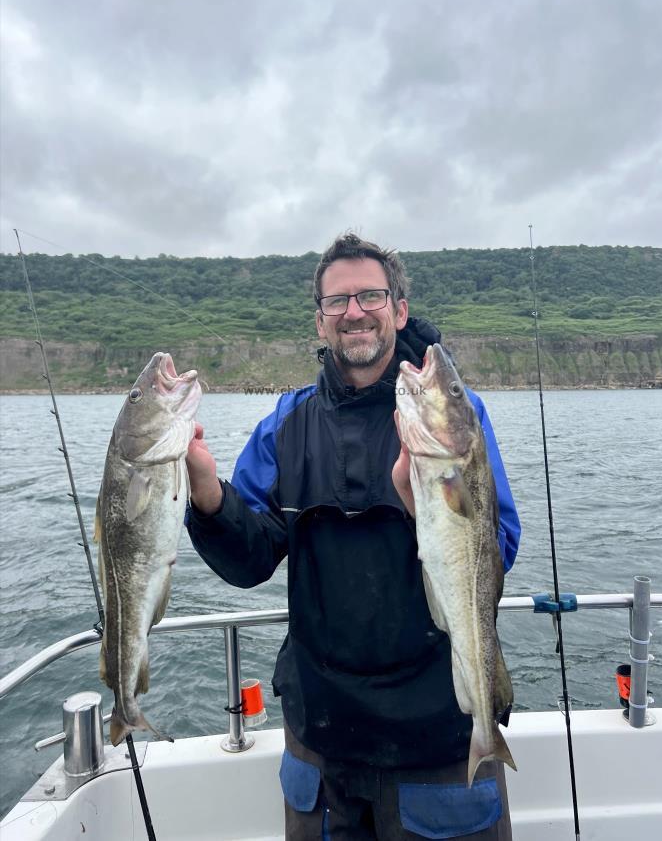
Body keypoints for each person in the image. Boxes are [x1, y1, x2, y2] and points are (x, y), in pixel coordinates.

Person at [185, 233, 521, 840]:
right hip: (321, 739)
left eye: (370, 296)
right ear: (321, 320)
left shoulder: (455, 413)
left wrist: (426, 510)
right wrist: (209, 496)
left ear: (397, 309)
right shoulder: (285, 424)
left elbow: (498, 551)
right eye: (338, 302)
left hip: (440, 736)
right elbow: (250, 559)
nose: (354, 312)